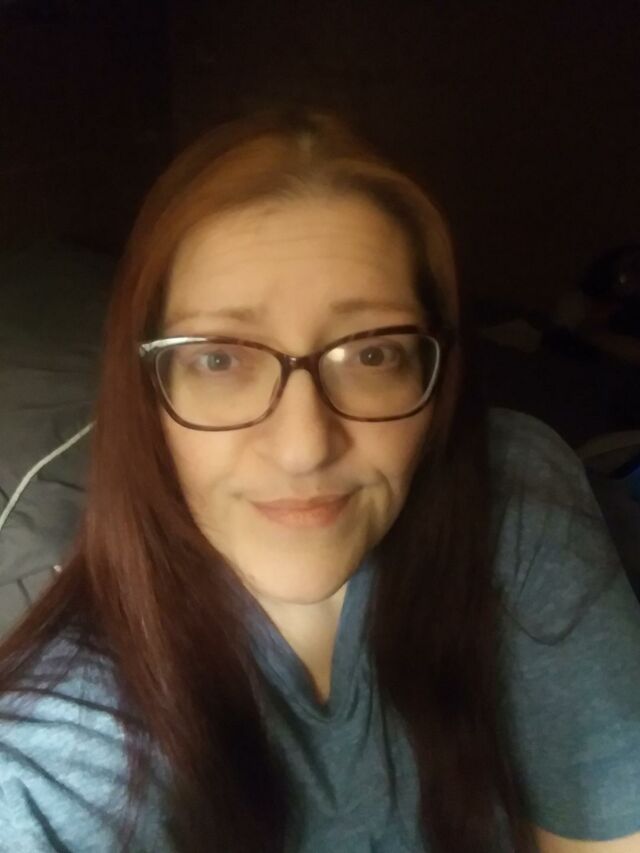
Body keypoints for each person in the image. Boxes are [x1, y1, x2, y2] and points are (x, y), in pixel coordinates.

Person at [1, 109, 640, 853]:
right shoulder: (49, 772)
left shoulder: (513, 488)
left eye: (372, 355)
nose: (305, 447)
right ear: (146, 393)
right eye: (219, 358)